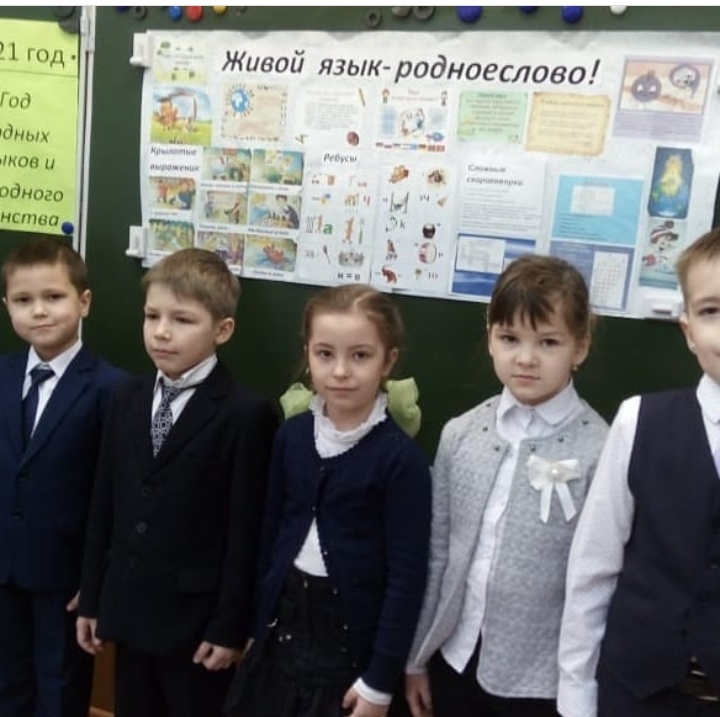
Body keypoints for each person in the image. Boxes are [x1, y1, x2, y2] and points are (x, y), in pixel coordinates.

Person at [402, 254, 608, 717]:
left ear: (580, 347)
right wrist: (416, 657)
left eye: (549, 342)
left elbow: (595, 585)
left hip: (541, 679)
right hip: (454, 658)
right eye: (510, 338)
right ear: (490, 336)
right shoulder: (461, 434)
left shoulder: (602, 449)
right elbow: (437, 555)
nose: (526, 358)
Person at [76, 248, 279, 717]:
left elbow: (246, 533)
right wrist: (92, 597)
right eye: (152, 316)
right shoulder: (125, 397)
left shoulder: (246, 414)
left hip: (197, 626)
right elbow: (103, 503)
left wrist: (230, 626)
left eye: (182, 320)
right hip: (129, 613)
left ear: (222, 330)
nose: (161, 332)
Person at [224, 283, 432, 717]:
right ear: (308, 354)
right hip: (281, 637)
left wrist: (379, 682)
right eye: (325, 354)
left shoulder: (400, 461)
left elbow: (407, 580)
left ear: (388, 361)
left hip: (349, 654)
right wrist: (256, 626)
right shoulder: (292, 436)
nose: (340, 371)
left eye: (360, 355)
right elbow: (270, 537)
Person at [557, 227, 720, 717]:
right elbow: (593, 567)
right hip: (636, 695)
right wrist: (576, 695)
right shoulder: (638, 421)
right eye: (712, 311)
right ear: (688, 331)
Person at [0, 236, 127, 717]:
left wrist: (96, 579)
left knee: (59, 690)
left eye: (53, 297)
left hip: (66, 578)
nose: (38, 311)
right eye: (23, 300)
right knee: (7, 684)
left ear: (84, 301)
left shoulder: (113, 389)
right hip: (5, 567)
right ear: (7, 307)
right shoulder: (2, 375)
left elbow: (116, 493)